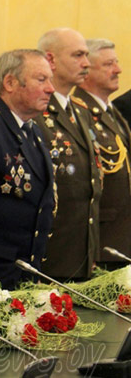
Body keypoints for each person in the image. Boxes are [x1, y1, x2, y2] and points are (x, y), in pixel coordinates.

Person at [0, 49, 56, 289]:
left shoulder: (32, 129)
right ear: (10, 83)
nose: (50, 88)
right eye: (41, 79)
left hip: (26, 269)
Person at [32, 28, 102, 281]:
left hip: (82, 253)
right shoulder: (36, 112)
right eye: (78, 55)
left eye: (86, 56)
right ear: (50, 60)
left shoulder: (80, 111)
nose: (86, 63)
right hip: (52, 256)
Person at [72, 39, 130, 268]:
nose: (118, 69)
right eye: (108, 64)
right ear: (86, 71)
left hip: (119, 237)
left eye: (116, 62)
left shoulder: (110, 110)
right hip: (101, 239)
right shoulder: (78, 112)